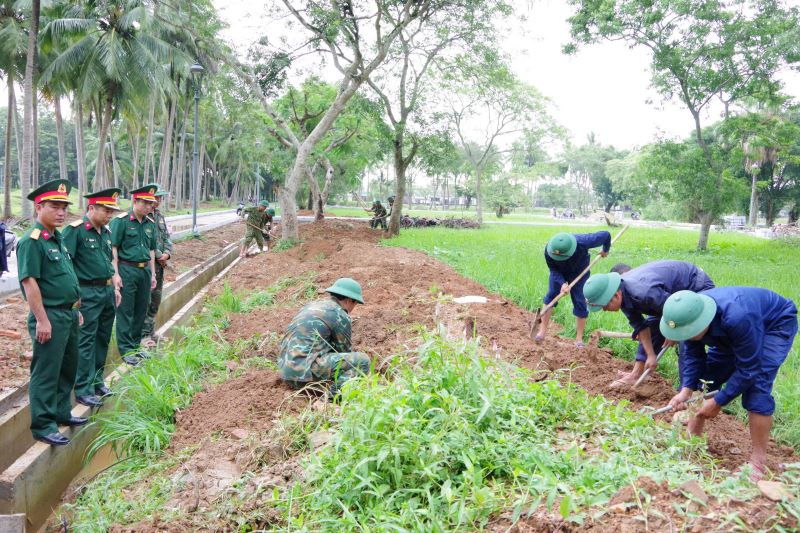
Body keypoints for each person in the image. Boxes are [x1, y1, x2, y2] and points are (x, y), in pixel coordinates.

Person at [661, 288, 797, 480]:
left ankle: (758, 462)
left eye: (689, 332)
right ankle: (692, 438)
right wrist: (686, 390)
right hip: (738, 332)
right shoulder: (689, 319)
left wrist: (719, 401)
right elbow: (693, 357)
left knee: (756, 387)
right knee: (706, 378)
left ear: (703, 322)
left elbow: (749, 368)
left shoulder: (737, 318)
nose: (687, 335)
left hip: (774, 323)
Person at [17, 179, 86, 445]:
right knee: (46, 371)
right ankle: (43, 425)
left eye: (64, 207)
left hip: (67, 314)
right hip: (50, 316)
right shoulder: (32, 241)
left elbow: (66, 277)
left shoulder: (58, 239)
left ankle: (60, 412)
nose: (61, 212)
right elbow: (29, 282)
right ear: (39, 207)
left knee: (68, 367)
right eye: (54, 206)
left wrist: (76, 308)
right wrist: (42, 320)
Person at [583, 261, 715, 387]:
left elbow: (675, 311)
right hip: (669, 299)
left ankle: (691, 390)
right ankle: (636, 374)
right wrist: (651, 355)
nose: (605, 310)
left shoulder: (643, 292)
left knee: (687, 339)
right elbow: (642, 327)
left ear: (616, 296)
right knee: (653, 329)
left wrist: (672, 331)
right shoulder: (623, 294)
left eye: (604, 306)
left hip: (695, 287)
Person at [62, 188, 123, 408]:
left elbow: (109, 261)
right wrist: (75, 297)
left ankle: (97, 381)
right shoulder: (75, 231)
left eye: (112, 211)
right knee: (85, 341)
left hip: (106, 291)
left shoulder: (105, 233)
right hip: (87, 292)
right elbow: (66, 266)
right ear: (91, 208)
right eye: (106, 210)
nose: (110, 215)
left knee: (103, 339)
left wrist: (115, 284)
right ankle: (83, 388)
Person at [278, 278, 370, 398]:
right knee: (362, 361)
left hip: (286, 371)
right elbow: (343, 351)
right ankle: (333, 399)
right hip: (303, 376)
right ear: (349, 300)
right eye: (355, 303)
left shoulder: (312, 306)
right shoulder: (339, 314)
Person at [535, 231, 611, 347]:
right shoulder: (549, 250)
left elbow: (606, 235)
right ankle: (542, 332)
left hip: (579, 273)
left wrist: (605, 250)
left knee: (580, 301)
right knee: (550, 296)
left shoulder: (584, 241)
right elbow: (553, 270)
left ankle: (579, 339)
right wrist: (562, 284)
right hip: (559, 273)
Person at [111, 185, 158, 365]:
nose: (148, 207)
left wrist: (153, 274)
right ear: (134, 201)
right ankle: (125, 350)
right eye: (145, 203)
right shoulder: (121, 221)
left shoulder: (150, 224)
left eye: (150, 204)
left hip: (144, 270)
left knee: (141, 309)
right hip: (127, 269)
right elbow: (113, 248)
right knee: (126, 310)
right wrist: (116, 275)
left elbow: (152, 250)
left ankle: (136, 346)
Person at [141, 188, 173, 346]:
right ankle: (143, 335)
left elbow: (167, 237)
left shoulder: (159, 216)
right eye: (156, 197)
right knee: (145, 300)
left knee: (156, 299)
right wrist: (159, 256)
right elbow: (147, 241)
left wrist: (167, 253)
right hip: (148, 265)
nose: (158, 200)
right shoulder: (142, 217)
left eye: (160, 198)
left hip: (160, 266)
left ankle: (151, 331)